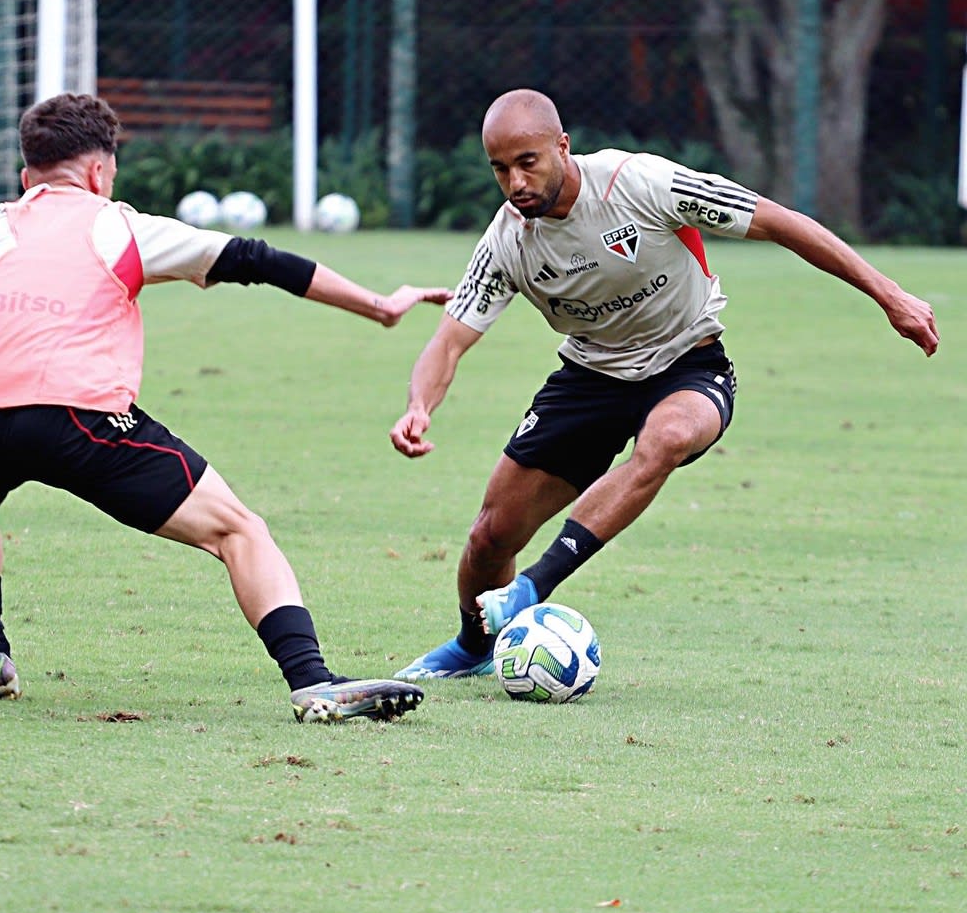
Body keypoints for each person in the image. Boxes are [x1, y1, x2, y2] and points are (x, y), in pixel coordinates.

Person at [389, 88, 939, 679]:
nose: (516, 181)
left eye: (528, 162)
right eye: (500, 168)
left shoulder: (642, 184)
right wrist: (420, 405)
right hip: (590, 378)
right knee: (491, 536)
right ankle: (474, 647)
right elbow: (449, 339)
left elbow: (781, 222)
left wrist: (891, 295)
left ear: (562, 147)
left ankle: (532, 588)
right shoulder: (506, 243)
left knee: (669, 438)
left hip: (689, 364)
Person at [0, 91, 453, 721]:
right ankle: (312, 681)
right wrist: (378, 305)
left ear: (25, 177)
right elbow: (254, 259)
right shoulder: (118, 225)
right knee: (238, 529)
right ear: (99, 172)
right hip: (82, 418)